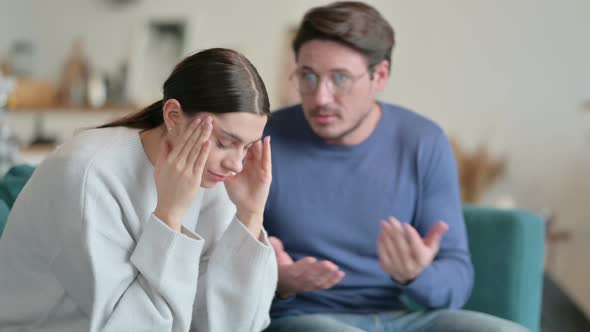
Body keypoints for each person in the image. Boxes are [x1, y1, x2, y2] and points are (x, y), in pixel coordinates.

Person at [263, 2, 526, 332]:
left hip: (404, 319)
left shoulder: (423, 142)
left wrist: (416, 274)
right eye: (308, 76)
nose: (320, 98)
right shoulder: (265, 139)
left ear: (380, 76)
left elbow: (456, 282)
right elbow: (220, 266)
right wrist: (278, 280)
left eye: (340, 78)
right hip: (307, 318)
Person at [0, 48, 277, 332]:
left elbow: (235, 324)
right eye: (224, 142)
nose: (235, 164)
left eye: (246, 147)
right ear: (172, 115)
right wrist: (170, 216)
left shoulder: (213, 177)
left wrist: (250, 215)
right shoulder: (87, 174)